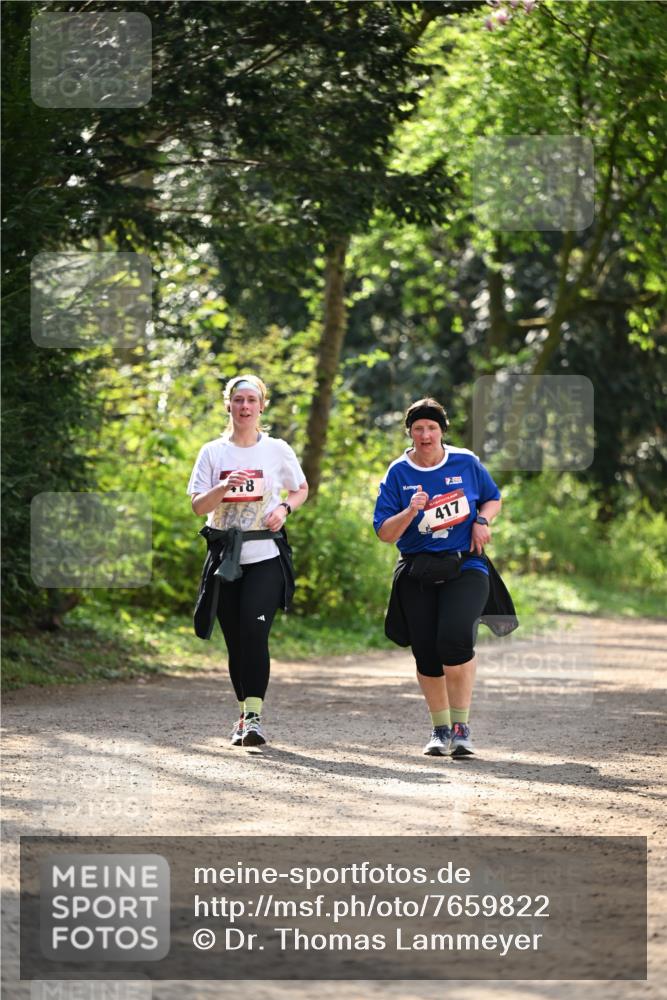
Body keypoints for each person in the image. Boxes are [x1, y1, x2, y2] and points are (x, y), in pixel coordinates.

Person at [373, 397, 506, 759]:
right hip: (418, 569)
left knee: (455, 640)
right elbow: (384, 533)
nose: (426, 434)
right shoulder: (398, 472)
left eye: (432, 427)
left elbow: (492, 498)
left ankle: (462, 729)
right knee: (427, 653)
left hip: (466, 565)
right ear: (410, 433)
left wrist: (481, 521)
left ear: (442, 431)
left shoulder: (465, 462)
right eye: (418, 428)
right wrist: (410, 511)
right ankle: (440, 728)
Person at [187, 374, 308, 748]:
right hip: (225, 558)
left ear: (261, 406)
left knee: (255, 633)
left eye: (251, 401)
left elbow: (300, 488)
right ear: (229, 405)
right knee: (237, 641)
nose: (244, 407)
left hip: (265, 555)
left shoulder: (276, 449)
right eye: (238, 400)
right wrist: (223, 488)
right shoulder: (212, 452)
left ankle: (253, 718)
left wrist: (285, 508)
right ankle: (243, 714)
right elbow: (197, 507)